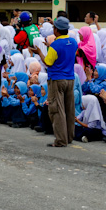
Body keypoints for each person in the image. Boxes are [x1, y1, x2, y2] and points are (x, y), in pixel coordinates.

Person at [30, 16, 78, 147]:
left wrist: (40, 52)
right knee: (69, 109)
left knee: (57, 110)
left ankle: (61, 140)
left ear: (56, 30)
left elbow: (48, 62)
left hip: (57, 79)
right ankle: (69, 136)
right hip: (70, 78)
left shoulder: (56, 44)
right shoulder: (73, 42)